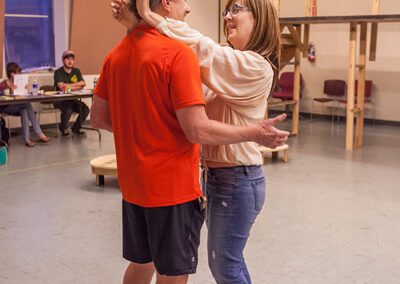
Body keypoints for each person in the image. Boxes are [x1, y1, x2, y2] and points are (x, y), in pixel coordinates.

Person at [92, 1, 288, 283]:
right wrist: (138, 27)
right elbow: (192, 119)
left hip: (237, 176)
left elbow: (199, 49)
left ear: (261, 18)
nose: (228, 16)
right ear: (169, 3)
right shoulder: (211, 60)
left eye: (237, 9)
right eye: (227, 10)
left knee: (225, 266)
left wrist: (145, 17)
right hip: (206, 176)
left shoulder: (255, 66)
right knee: (212, 264)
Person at [0, 62, 50, 147]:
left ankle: (27, 139)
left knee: (24, 109)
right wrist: (9, 90)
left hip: (18, 106)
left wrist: (24, 89)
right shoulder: (3, 84)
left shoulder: (19, 82)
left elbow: (22, 97)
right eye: (17, 73)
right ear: (11, 74)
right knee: (26, 104)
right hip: (6, 107)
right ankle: (39, 132)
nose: (19, 74)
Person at [53, 50, 89, 137]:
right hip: (60, 99)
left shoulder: (76, 71)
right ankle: (63, 128)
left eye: (72, 59)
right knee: (68, 109)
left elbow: (83, 84)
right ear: (63, 60)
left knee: (85, 109)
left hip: (72, 99)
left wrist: (69, 86)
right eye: (67, 59)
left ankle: (76, 128)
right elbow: (62, 87)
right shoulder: (58, 72)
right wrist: (77, 85)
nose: (70, 61)